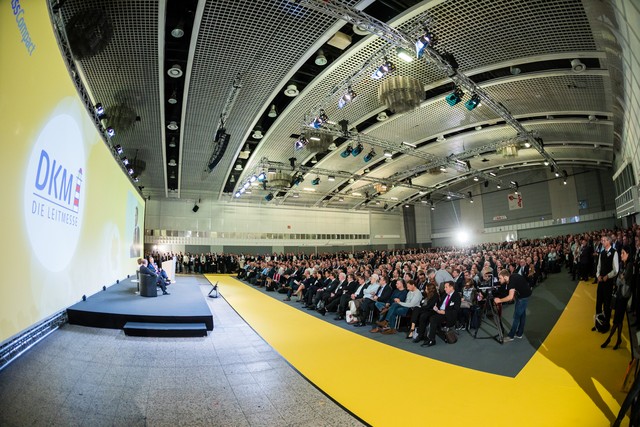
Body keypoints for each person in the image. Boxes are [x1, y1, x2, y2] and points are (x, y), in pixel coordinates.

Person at [602, 245, 632, 350]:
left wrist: (621, 278)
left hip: (624, 295)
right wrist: (620, 278)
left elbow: (624, 279)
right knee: (618, 320)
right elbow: (618, 279)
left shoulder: (630, 265)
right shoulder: (621, 264)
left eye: (623, 253)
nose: (621, 255)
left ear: (628, 254)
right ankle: (618, 339)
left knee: (616, 319)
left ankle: (609, 338)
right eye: (621, 253)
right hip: (619, 293)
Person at [493, 269, 531, 342]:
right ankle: (519, 334)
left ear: (505, 277)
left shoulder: (511, 282)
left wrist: (499, 300)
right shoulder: (512, 277)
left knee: (516, 317)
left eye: (500, 278)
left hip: (523, 297)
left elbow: (510, 297)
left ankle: (511, 336)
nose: (499, 280)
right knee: (522, 315)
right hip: (523, 295)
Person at [422, 280, 460, 347]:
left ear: (451, 287)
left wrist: (444, 312)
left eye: (446, 287)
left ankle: (432, 339)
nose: (444, 289)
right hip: (439, 311)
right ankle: (423, 335)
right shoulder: (444, 294)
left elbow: (455, 310)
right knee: (425, 314)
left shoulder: (456, 296)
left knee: (433, 319)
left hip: (448, 315)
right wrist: (436, 307)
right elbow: (440, 304)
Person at [593, 235, 618, 331]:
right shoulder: (602, 253)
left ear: (609, 242)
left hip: (608, 282)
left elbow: (616, 269)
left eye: (603, 240)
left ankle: (606, 325)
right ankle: (597, 324)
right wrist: (598, 275)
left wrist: (608, 276)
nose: (602, 242)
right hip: (601, 281)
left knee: (607, 304)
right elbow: (598, 266)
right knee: (598, 303)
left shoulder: (614, 252)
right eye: (601, 240)